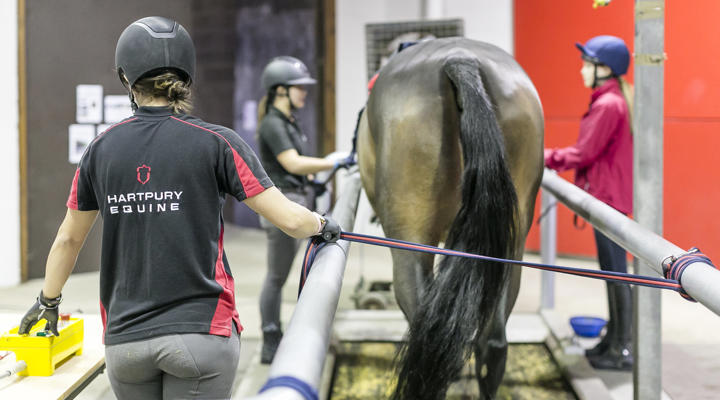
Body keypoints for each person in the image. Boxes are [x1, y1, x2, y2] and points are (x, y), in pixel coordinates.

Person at [17, 16, 340, 399]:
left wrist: (47, 302)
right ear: (185, 78)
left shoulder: (100, 151)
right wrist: (322, 224)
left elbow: (69, 239)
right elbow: (290, 219)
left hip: (126, 343)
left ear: (126, 79)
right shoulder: (217, 142)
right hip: (201, 336)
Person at [255, 56, 354, 364]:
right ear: (280, 90)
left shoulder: (289, 122)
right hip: (282, 205)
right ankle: (270, 338)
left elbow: (299, 167)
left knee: (302, 268)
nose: (304, 93)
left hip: (296, 198)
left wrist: (315, 181)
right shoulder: (272, 123)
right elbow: (292, 162)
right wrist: (335, 162)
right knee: (276, 276)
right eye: (299, 88)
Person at [544, 35, 634, 370]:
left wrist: (544, 156)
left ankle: (622, 347)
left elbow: (583, 152)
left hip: (608, 200)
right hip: (608, 196)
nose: (582, 70)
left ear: (604, 68)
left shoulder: (608, 105)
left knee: (616, 275)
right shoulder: (611, 100)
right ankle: (614, 340)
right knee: (613, 273)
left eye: (587, 63)